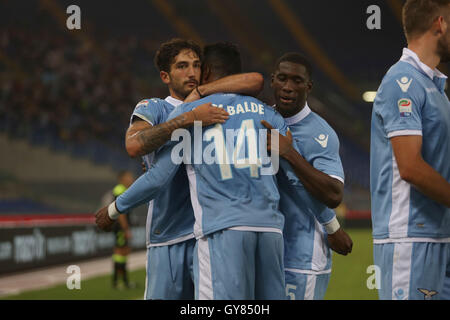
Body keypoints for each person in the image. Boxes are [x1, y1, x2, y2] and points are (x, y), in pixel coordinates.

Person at [96, 42, 290, 300]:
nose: (191, 72)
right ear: (165, 76)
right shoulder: (155, 107)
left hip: (208, 233)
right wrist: (188, 117)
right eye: (182, 66)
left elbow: (255, 80)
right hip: (169, 236)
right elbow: (134, 145)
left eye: (196, 65)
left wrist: (200, 94)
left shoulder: (215, 108)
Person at [371, 0, 450, 300]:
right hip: (410, 237)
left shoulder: (434, 88)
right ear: (440, 24)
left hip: (438, 235)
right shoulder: (402, 83)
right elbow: (411, 166)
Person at [262, 53, 353, 300]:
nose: (288, 87)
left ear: (308, 86)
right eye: (282, 78)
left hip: (302, 257)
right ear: (272, 80)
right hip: (262, 250)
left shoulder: (321, 134)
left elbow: (334, 194)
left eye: (297, 81)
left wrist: (290, 153)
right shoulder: (259, 121)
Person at [100, 170, 135, 289]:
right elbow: (121, 213)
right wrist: (125, 229)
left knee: (122, 253)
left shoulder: (121, 190)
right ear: (122, 179)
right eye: (128, 177)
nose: (131, 179)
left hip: (119, 227)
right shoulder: (120, 190)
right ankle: (120, 282)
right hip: (120, 227)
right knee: (120, 252)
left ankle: (121, 281)